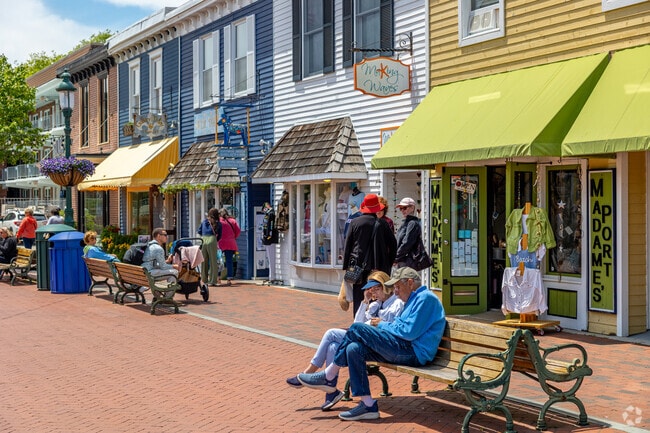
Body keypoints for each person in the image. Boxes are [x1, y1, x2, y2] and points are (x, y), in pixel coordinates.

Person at [297, 267, 446, 421]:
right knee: (354, 348)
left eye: (397, 287)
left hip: (414, 353)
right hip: (403, 346)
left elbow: (408, 332)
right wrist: (384, 325)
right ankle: (368, 404)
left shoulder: (425, 299)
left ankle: (330, 375)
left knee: (357, 328)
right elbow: (401, 327)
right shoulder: (413, 299)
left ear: (409, 282)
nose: (395, 292)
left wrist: (381, 325)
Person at [286, 270, 403, 411]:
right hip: (364, 339)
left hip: (379, 344)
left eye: (377, 289)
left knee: (331, 334)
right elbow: (357, 323)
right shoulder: (376, 304)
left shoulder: (396, 304)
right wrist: (365, 302)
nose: (374, 293)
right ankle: (330, 392)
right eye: (372, 290)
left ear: (386, 287)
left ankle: (309, 373)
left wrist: (378, 323)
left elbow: (392, 329)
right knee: (333, 347)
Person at [343, 193, 396, 315]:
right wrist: (388, 263)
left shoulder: (355, 222)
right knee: (377, 295)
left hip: (357, 266)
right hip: (378, 268)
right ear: (377, 208)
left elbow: (348, 246)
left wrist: (346, 266)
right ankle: (373, 321)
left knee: (358, 296)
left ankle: (358, 320)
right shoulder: (383, 224)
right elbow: (393, 246)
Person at [394, 197, 423, 268]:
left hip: (408, 261)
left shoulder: (412, 223)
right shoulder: (406, 222)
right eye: (401, 208)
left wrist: (395, 257)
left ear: (412, 208)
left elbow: (407, 242)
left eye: (405, 208)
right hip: (402, 260)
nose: (402, 210)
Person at [197, 208, 222, 287]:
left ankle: (204, 279)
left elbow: (199, 231)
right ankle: (212, 280)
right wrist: (215, 240)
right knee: (213, 261)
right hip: (212, 239)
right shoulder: (218, 223)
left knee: (204, 260)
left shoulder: (204, 222)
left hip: (204, 239)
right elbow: (220, 235)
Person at [218, 208, 241, 285]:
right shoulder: (232, 221)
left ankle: (218, 277)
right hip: (231, 243)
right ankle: (229, 278)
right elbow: (238, 231)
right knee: (229, 261)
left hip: (220, 243)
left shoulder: (219, 221)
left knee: (219, 260)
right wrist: (233, 237)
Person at [261, 202, 279, 281]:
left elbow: (270, 226)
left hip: (270, 238)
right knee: (269, 257)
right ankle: (270, 275)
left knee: (271, 257)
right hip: (267, 237)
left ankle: (272, 276)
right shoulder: (268, 214)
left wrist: (268, 235)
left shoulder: (271, 214)